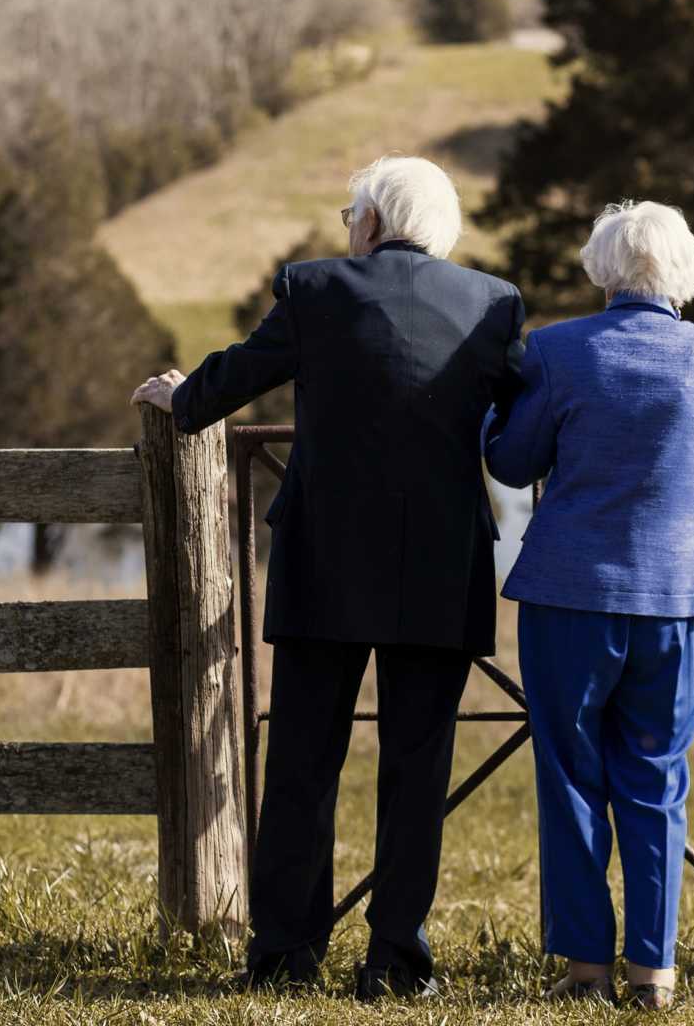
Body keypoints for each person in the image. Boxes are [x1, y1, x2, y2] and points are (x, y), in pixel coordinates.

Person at [131, 156, 525, 1000]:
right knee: (418, 770)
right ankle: (397, 963)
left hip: (325, 559)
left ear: (374, 222)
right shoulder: (493, 305)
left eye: (352, 212)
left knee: (305, 760)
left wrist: (181, 396)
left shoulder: (315, 289)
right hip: (440, 564)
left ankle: (284, 956)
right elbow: (527, 422)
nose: (348, 226)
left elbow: (237, 375)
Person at [483, 200, 694, 1010]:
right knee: (656, 778)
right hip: (673, 596)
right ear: (687, 272)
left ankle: (585, 968)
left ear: (603, 268)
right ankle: (655, 971)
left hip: (566, 595)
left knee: (571, 778)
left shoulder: (558, 351)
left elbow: (511, 461)